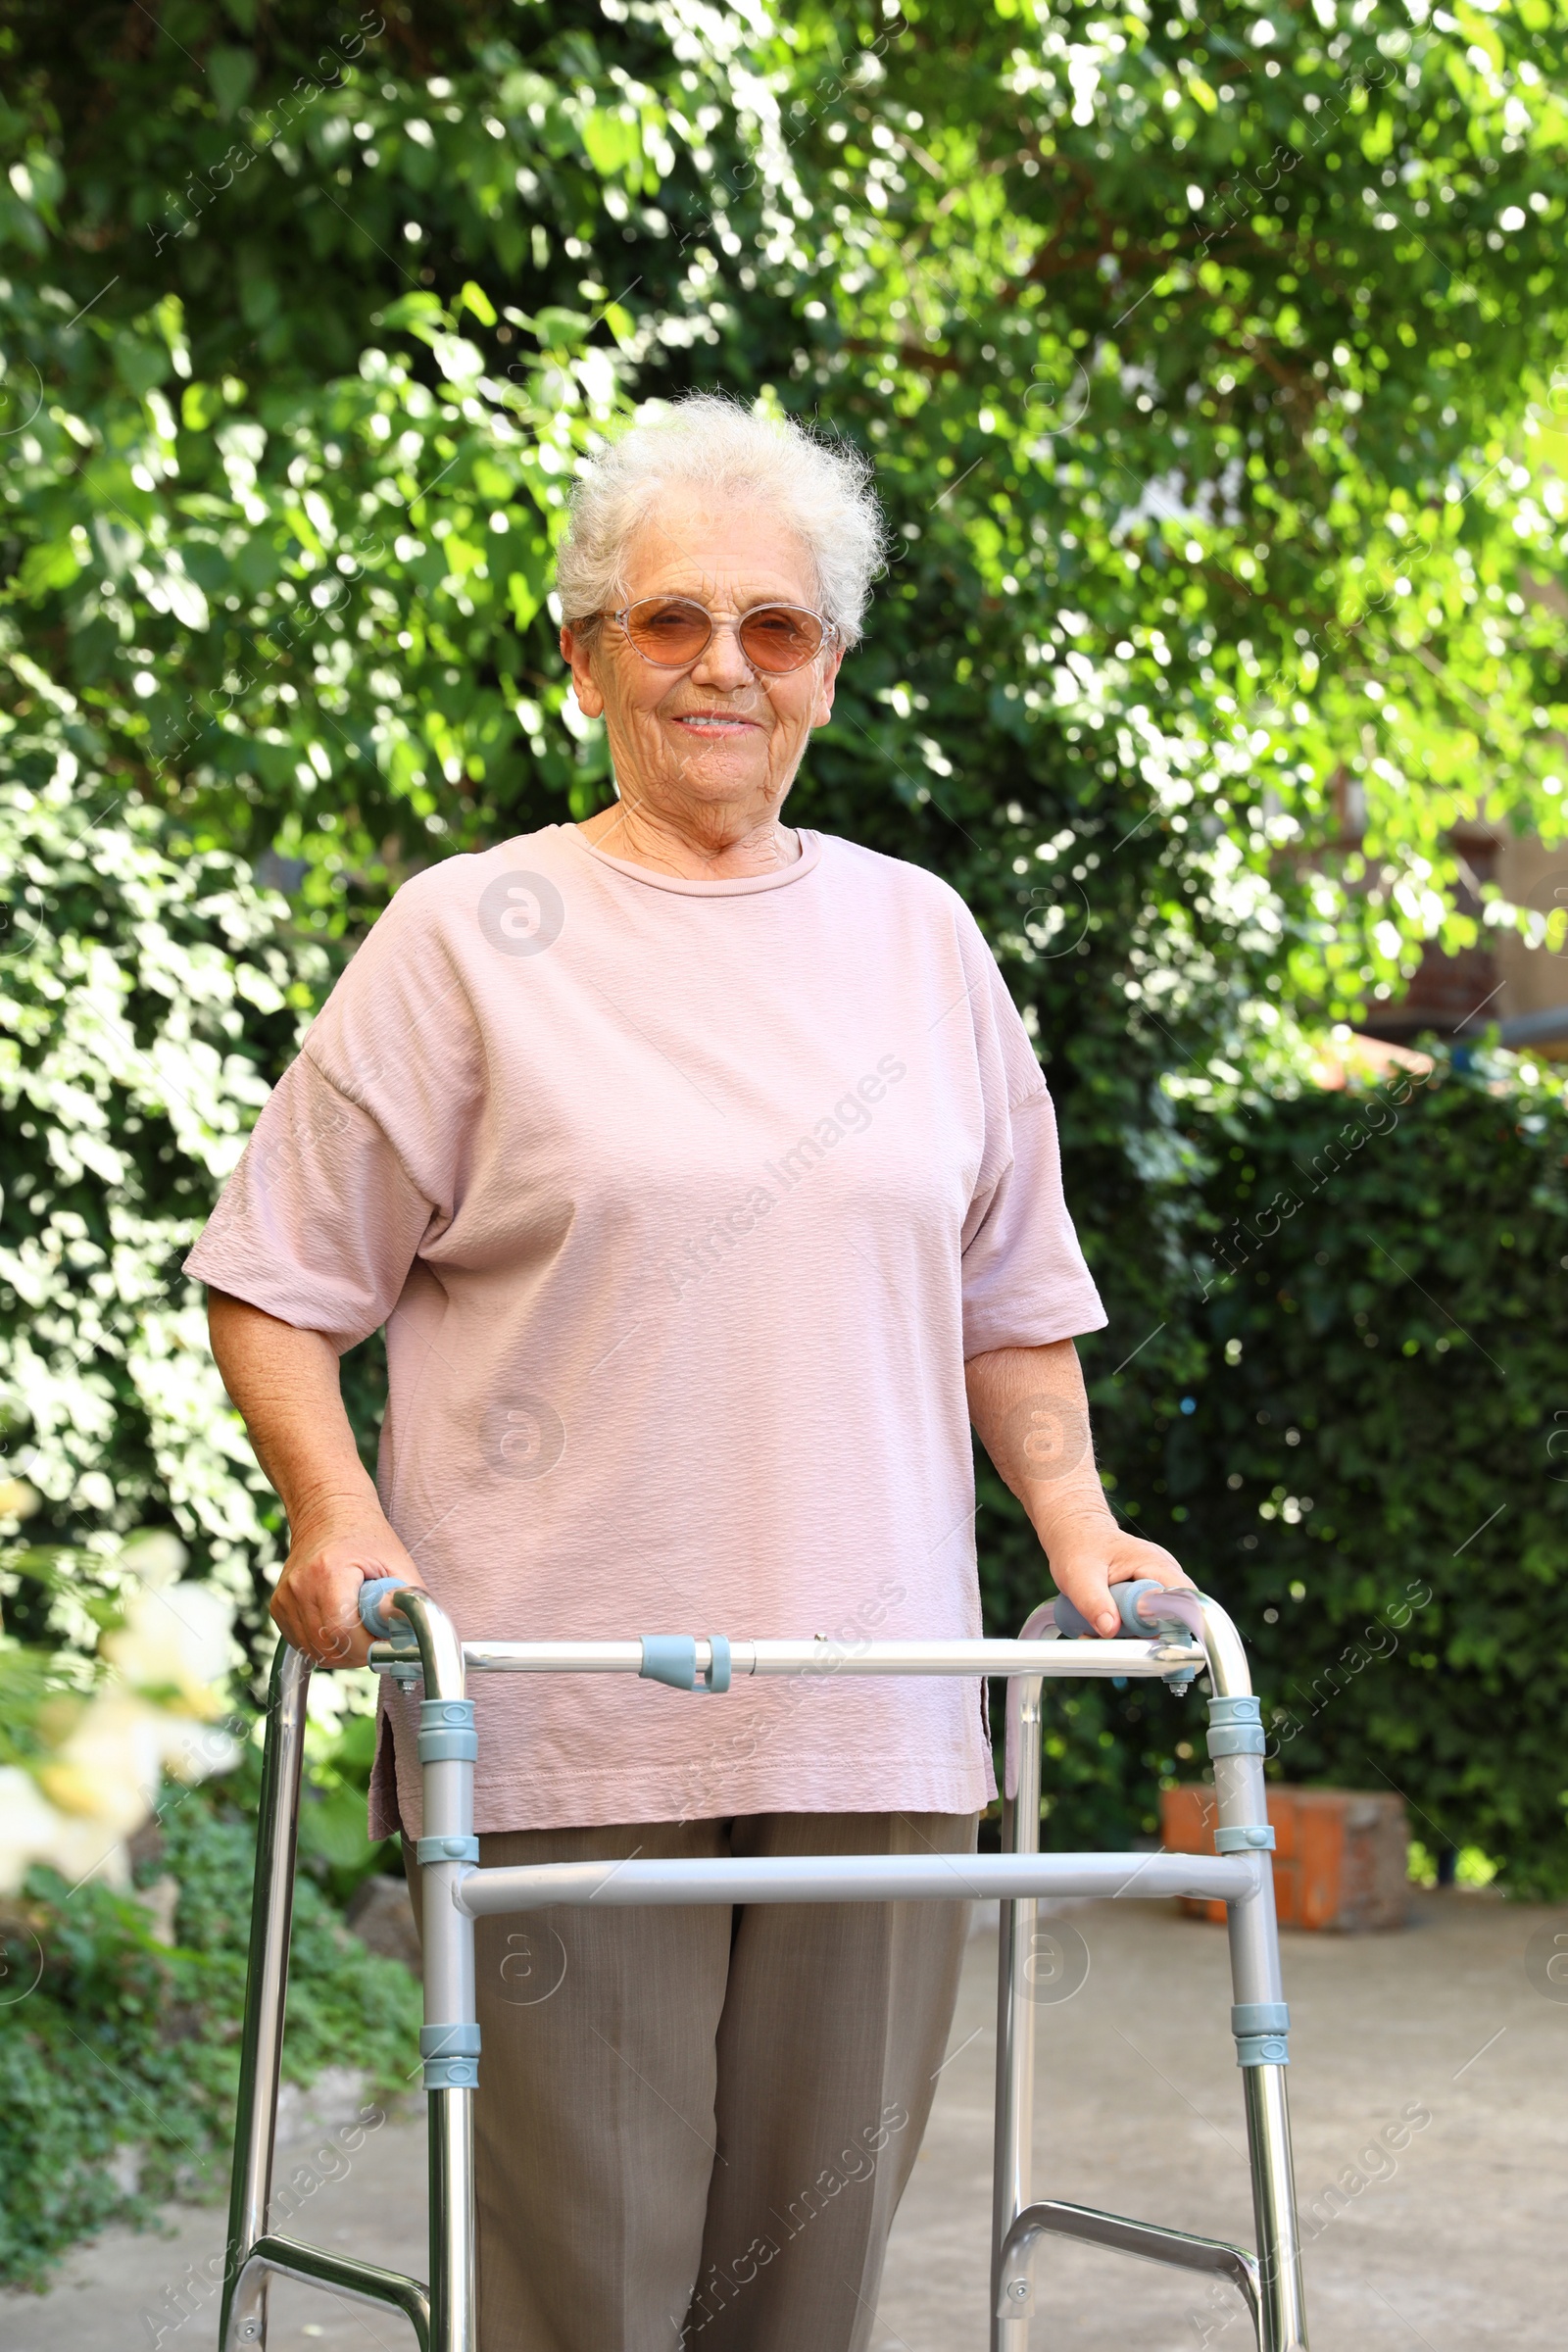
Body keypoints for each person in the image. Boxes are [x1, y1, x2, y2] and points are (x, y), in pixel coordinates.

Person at [189, 392, 1192, 2352]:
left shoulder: (923, 942)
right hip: (567, 1728)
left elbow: (1011, 1294)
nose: (721, 664)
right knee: (587, 2294)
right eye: (668, 621)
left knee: (798, 2299)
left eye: (774, 625)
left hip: (882, 1719)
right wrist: (339, 1514)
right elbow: (275, 1278)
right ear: (584, 660)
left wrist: (1076, 1526)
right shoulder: (466, 937)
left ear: (829, 666)